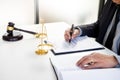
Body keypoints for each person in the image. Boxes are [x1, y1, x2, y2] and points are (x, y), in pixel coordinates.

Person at [64, 0, 120, 69]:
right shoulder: (111, 2)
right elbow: (98, 26)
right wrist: (78, 30)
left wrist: (115, 60)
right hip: (99, 61)